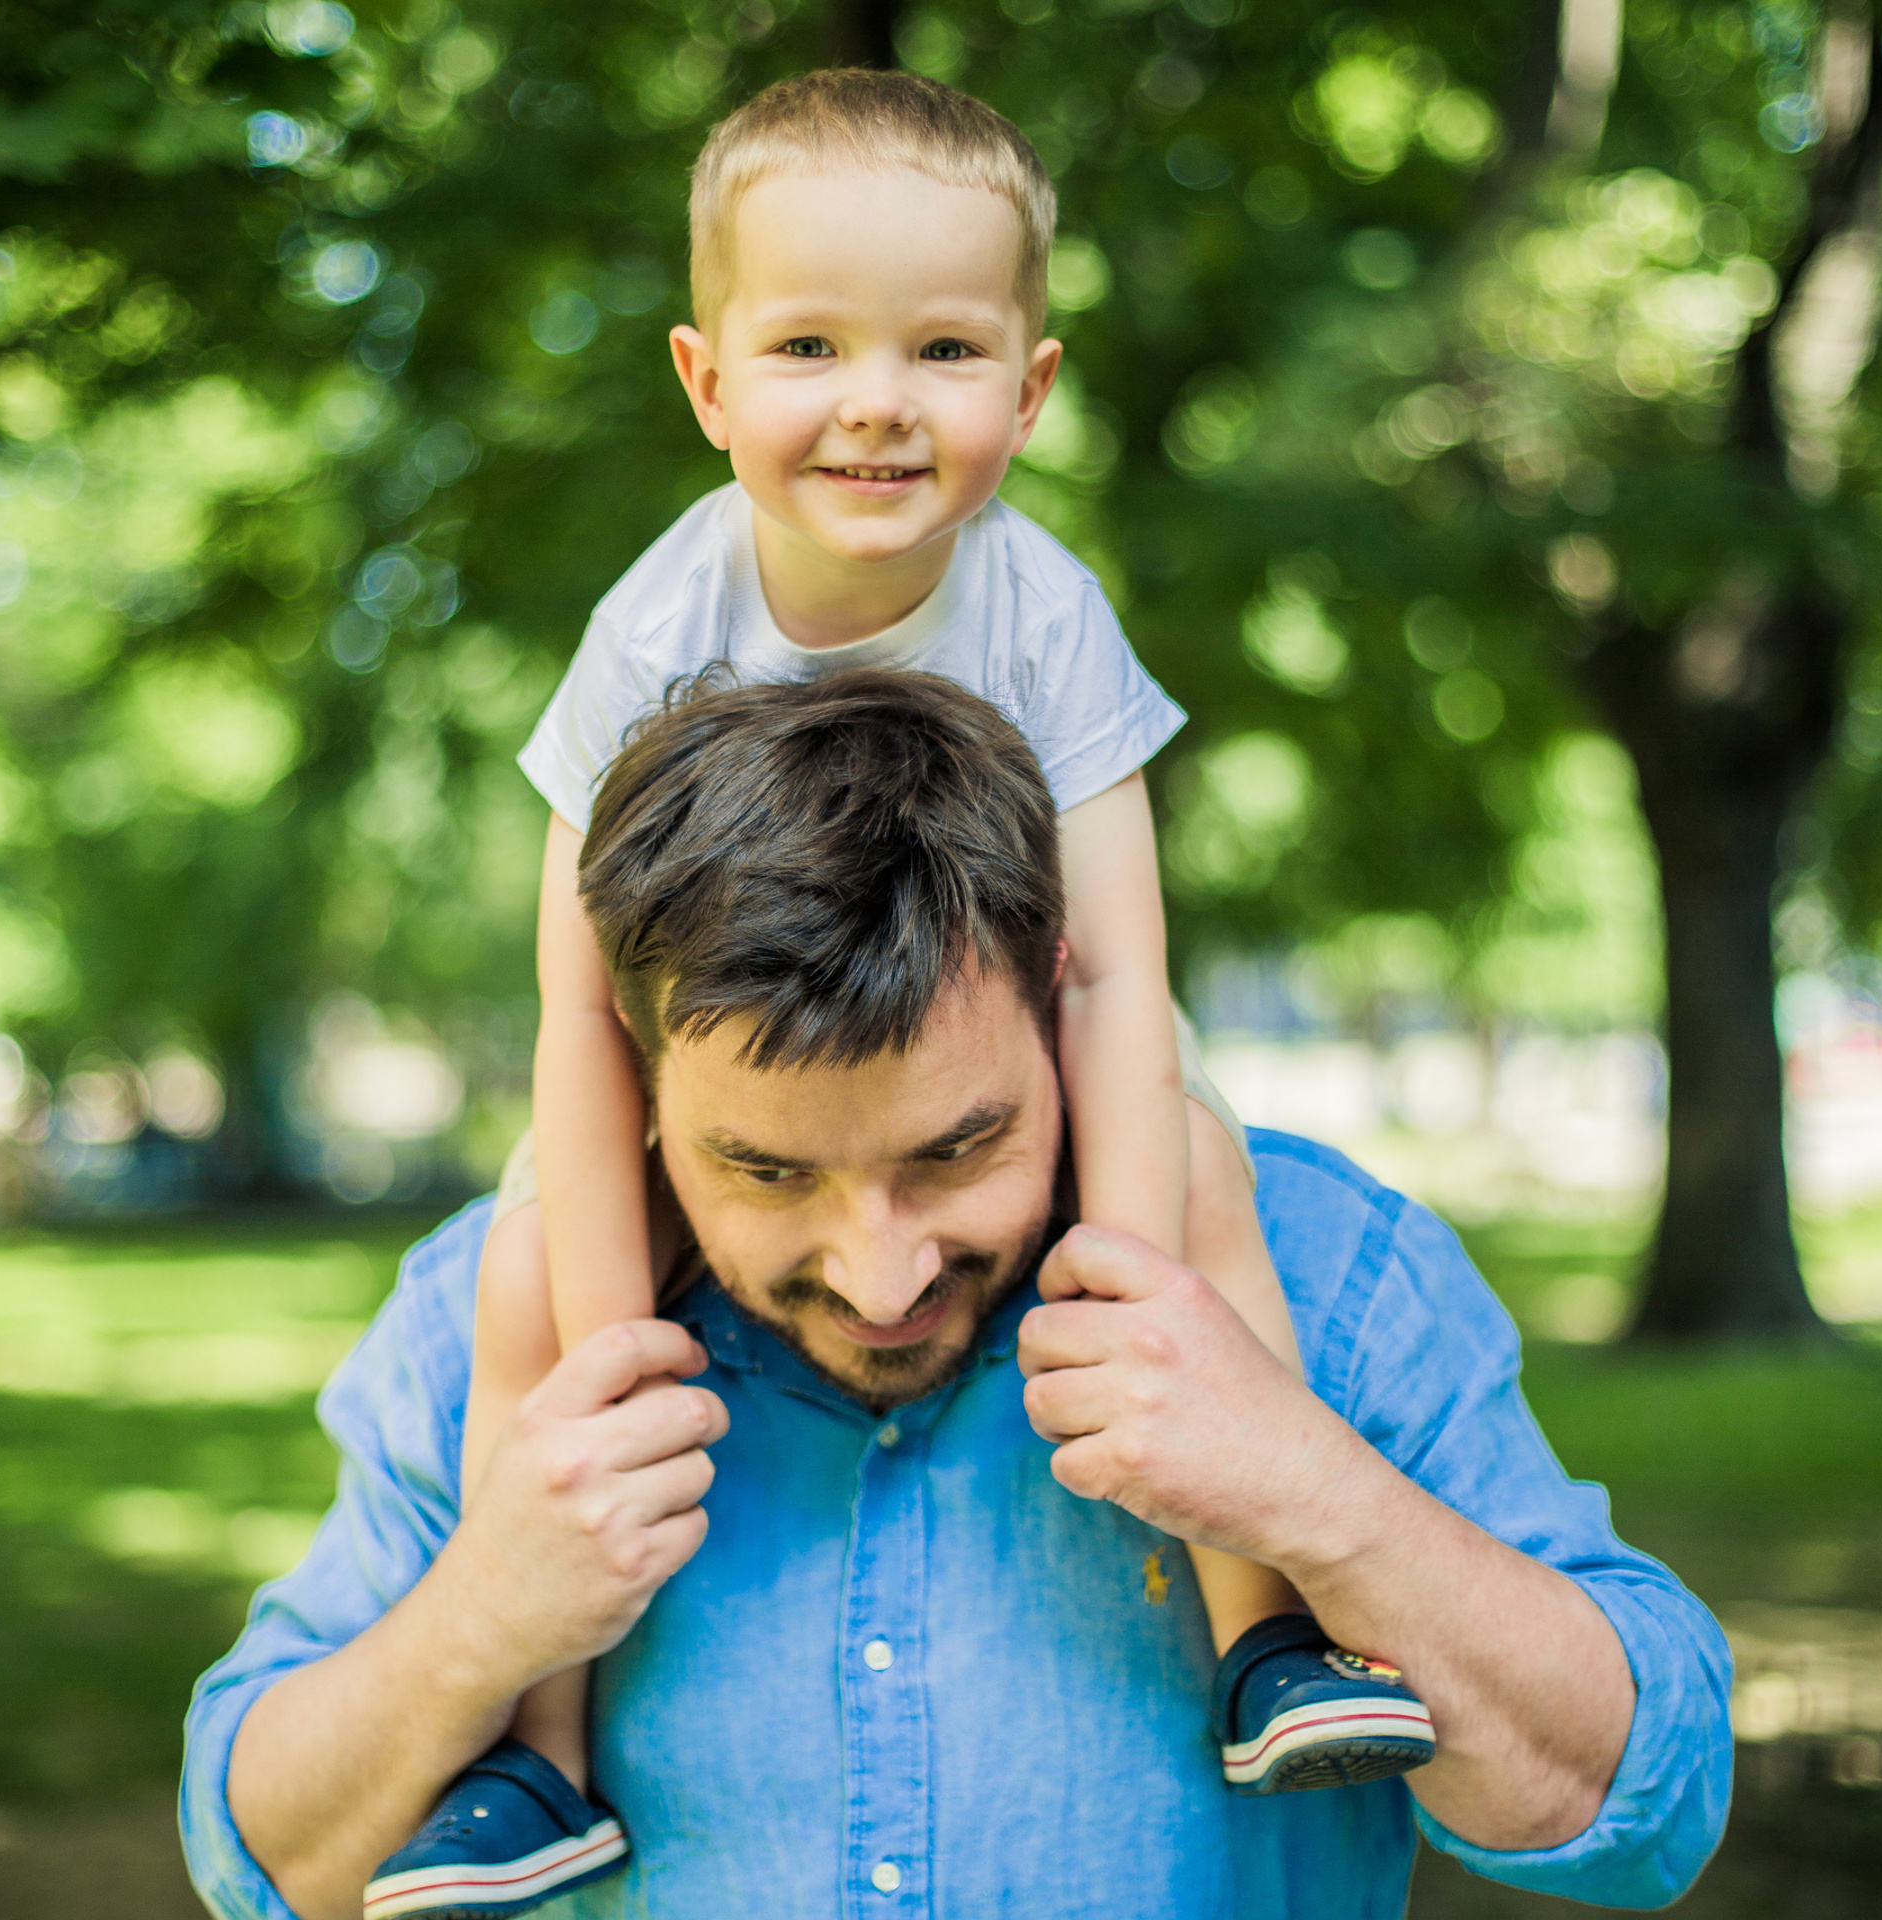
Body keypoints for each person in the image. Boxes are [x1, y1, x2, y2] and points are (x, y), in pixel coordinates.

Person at [183, 673, 1732, 1920]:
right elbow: (264, 1865)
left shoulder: (1325, 1269)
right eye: (768, 1171)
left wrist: (1314, 1497)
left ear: (1059, 1000)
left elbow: (1643, 1809)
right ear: (640, 1086)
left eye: (957, 1149)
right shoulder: (492, 1328)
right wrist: (479, 1623)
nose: (883, 1275)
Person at [463, 60, 1424, 1895]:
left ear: (1031, 388)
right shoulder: (654, 632)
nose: (878, 402)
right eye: (809, 346)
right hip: (738, 1091)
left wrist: (1129, 1282)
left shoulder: (1043, 613)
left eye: (946, 350)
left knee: (1208, 1188)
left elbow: (1114, 974)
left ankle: (1265, 1635)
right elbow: (580, 1010)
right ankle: (536, 1749)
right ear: (706, 382)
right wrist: (609, 1336)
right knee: (521, 1292)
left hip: (1017, 1069)